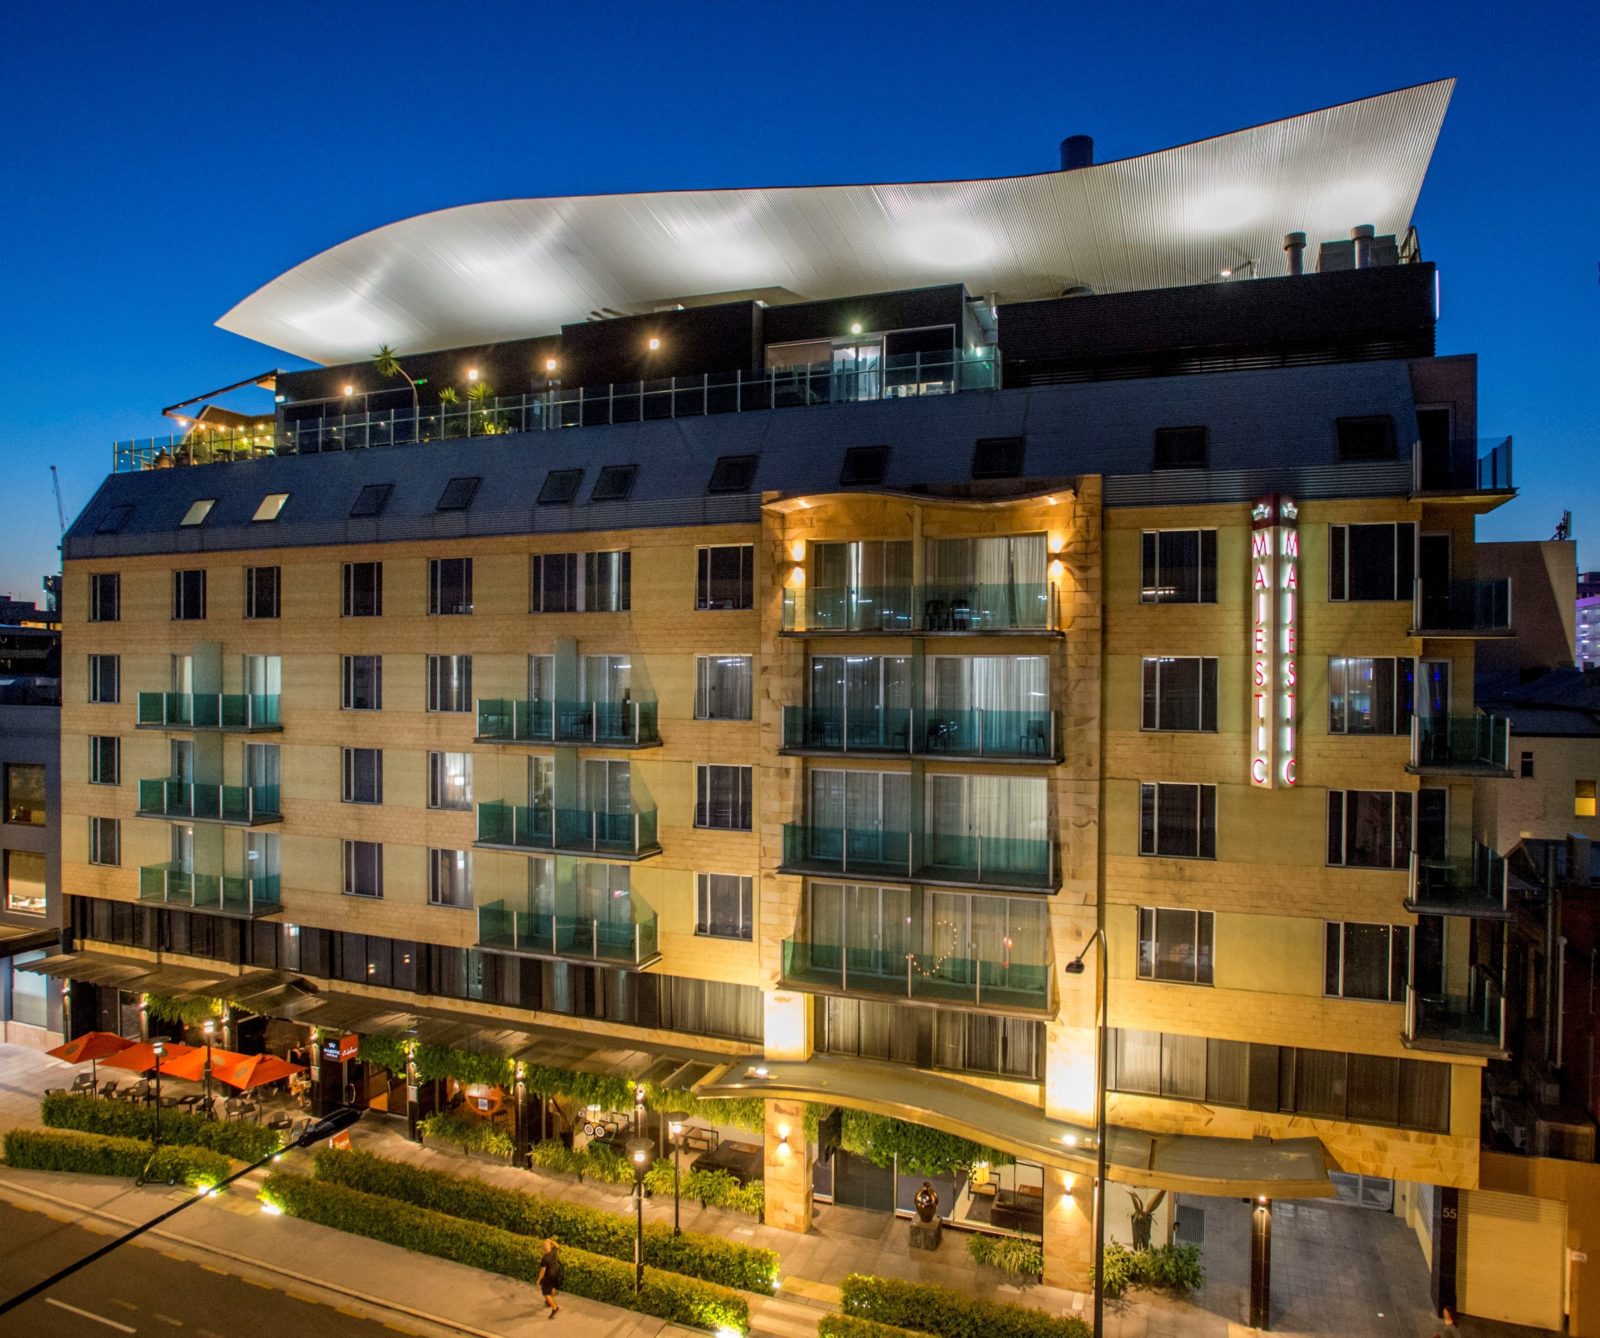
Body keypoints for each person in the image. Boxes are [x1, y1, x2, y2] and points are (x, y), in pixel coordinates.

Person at [538, 1238, 562, 1319]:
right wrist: (550, 1241)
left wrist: (538, 1280)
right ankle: (549, 1301)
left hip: (549, 1276)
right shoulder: (553, 1251)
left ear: (543, 1249)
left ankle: (555, 1308)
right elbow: (557, 1245)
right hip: (556, 1273)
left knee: (545, 1292)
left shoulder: (544, 1258)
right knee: (552, 1287)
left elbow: (542, 1271)